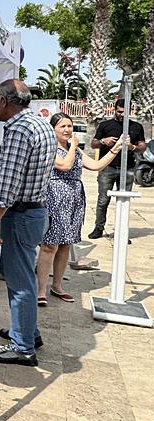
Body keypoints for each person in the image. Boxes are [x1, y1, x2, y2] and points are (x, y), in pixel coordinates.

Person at [0, 80, 57, 367]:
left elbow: (9, 182)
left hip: (21, 213)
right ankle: (27, 331)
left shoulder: (18, 129)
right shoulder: (40, 124)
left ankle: (23, 346)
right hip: (34, 211)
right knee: (20, 272)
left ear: (4, 100)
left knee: (20, 279)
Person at [37, 113, 129, 305]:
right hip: (55, 198)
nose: (67, 130)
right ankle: (40, 290)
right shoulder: (49, 149)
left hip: (75, 200)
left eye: (69, 126)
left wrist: (116, 149)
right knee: (50, 245)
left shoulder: (75, 150)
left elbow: (95, 165)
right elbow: (65, 165)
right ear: (53, 129)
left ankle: (57, 286)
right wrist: (73, 146)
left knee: (66, 244)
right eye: (62, 126)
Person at [87, 99, 147, 239]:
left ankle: (122, 232)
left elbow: (143, 146)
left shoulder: (136, 127)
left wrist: (132, 147)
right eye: (119, 112)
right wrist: (104, 141)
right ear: (114, 110)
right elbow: (93, 143)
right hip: (107, 167)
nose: (122, 115)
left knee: (124, 201)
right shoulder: (105, 125)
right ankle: (98, 228)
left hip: (128, 168)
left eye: (125, 113)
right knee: (103, 200)